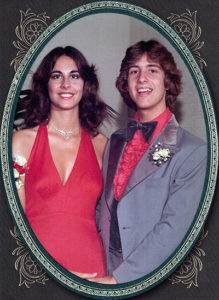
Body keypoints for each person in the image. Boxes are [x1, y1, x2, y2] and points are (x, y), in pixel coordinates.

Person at [89, 40, 207, 284]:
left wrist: (119, 279)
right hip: (104, 267)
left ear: (167, 82)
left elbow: (174, 230)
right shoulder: (115, 141)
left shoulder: (194, 152)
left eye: (152, 70)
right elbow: (102, 207)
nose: (142, 78)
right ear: (126, 83)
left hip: (152, 277)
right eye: (134, 71)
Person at [12, 46, 108, 278]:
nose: (66, 84)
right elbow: (14, 220)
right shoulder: (21, 141)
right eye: (57, 76)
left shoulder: (102, 145)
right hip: (35, 267)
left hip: (90, 267)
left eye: (74, 76)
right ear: (46, 84)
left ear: (86, 84)